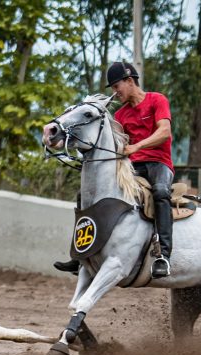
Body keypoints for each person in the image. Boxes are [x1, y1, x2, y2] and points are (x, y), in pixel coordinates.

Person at [55, 61, 174, 278]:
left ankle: (163, 255)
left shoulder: (157, 100)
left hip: (159, 163)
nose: (114, 92)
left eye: (116, 86)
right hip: (130, 166)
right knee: (86, 196)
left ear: (130, 81)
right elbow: (113, 145)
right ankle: (80, 256)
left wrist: (137, 146)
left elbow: (164, 132)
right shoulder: (120, 116)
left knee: (161, 192)